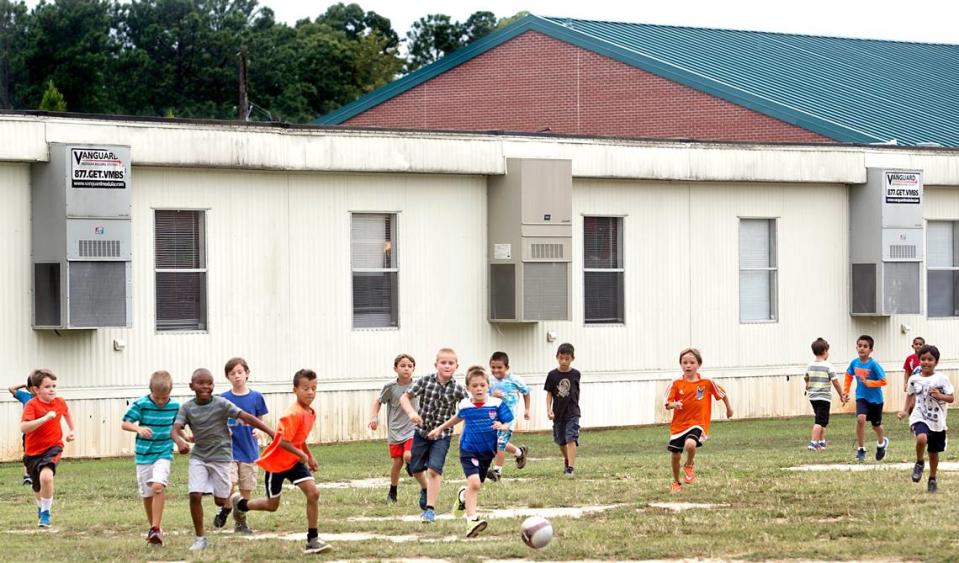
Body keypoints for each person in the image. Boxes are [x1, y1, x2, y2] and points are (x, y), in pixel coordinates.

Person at [232, 369, 333, 554]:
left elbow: (299, 439)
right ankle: (240, 505)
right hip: (276, 465)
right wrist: (301, 454)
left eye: (313, 388)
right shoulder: (292, 414)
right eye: (305, 388)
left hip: (294, 463)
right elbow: (282, 441)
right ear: (295, 390)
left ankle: (313, 539)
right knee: (272, 506)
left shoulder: (310, 412)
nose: (310, 392)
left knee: (314, 493)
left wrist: (308, 456)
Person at [173, 368, 274, 551]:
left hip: (221, 458)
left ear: (213, 385)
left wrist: (271, 432)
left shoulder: (221, 403)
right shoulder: (187, 407)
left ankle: (230, 500)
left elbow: (247, 417)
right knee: (194, 495)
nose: (205, 386)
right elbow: (175, 429)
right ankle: (200, 538)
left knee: (221, 501)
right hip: (200, 457)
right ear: (191, 386)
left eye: (209, 383)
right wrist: (180, 441)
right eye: (200, 383)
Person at [428, 365, 513, 537]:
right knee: (474, 483)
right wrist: (439, 429)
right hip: (468, 450)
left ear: (488, 386)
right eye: (475, 386)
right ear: (468, 388)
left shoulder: (496, 404)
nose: (479, 388)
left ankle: (462, 497)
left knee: (476, 486)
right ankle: (471, 521)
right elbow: (457, 418)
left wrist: (502, 426)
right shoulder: (465, 405)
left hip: (487, 452)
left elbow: (509, 422)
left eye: (482, 385)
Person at [399, 347, 468, 523]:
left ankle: (430, 510)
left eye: (450, 363)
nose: (447, 366)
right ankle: (424, 488)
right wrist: (411, 413)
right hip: (421, 433)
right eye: (443, 362)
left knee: (434, 470)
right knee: (415, 469)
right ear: (436, 364)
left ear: (456, 366)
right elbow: (404, 398)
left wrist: (465, 431)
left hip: (442, 436)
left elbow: (468, 410)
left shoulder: (458, 390)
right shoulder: (425, 381)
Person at [121, 370, 187, 546]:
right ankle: (153, 528)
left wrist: (185, 438)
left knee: (158, 486)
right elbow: (125, 423)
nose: (160, 402)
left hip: (163, 452)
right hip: (144, 455)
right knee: (147, 494)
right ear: (151, 390)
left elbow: (177, 427)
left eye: (164, 398)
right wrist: (138, 429)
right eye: (157, 398)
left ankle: (156, 528)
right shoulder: (141, 404)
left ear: (170, 393)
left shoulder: (174, 406)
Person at [664, 348, 733, 493]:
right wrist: (674, 404)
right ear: (681, 365)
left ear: (698, 364)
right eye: (684, 362)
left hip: (697, 423)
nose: (688, 365)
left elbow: (722, 394)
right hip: (678, 426)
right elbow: (667, 404)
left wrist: (729, 409)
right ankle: (676, 482)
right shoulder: (675, 383)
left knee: (690, 445)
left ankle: (689, 465)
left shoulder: (707, 382)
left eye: (691, 362)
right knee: (676, 456)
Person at [213, 357, 268, 534]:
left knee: (245, 491)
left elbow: (261, 420)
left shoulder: (256, 397)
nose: (236, 376)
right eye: (232, 373)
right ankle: (230, 511)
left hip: (250, 451)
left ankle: (238, 520)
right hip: (228, 450)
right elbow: (217, 421)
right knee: (230, 484)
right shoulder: (223, 399)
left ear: (247, 374)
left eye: (240, 372)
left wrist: (260, 432)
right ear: (227, 377)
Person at [19, 369, 75, 527]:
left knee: (46, 477)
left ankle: (45, 513)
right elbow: (24, 428)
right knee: (37, 486)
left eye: (54, 386)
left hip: (53, 447)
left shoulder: (59, 402)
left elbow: (67, 413)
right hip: (32, 452)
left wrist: (72, 430)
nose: (52, 390)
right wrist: (44, 418)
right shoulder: (31, 405)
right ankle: (41, 507)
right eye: (47, 387)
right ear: (36, 389)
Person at [369, 353, 426, 503]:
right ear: (395, 368)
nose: (406, 369)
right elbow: (378, 402)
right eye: (402, 366)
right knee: (397, 463)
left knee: (408, 455)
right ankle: (393, 491)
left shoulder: (418, 385)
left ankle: (411, 465)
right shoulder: (390, 387)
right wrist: (374, 417)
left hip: (412, 428)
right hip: (395, 431)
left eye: (409, 366)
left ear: (413, 369)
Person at [897, 345, 954, 493]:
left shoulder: (942, 379)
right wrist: (904, 410)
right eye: (923, 359)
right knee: (921, 438)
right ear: (919, 361)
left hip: (937, 421)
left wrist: (940, 396)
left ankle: (932, 478)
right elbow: (910, 394)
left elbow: (951, 398)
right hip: (919, 415)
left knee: (934, 453)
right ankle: (920, 462)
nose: (926, 362)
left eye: (930, 359)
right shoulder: (914, 379)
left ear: (936, 362)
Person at [843, 335, 889, 463]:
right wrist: (845, 392)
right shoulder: (854, 363)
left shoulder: (873, 364)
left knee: (876, 426)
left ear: (870, 350)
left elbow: (884, 381)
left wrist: (869, 382)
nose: (862, 348)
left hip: (876, 400)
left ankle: (881, 443)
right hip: (861, 397)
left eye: (865, 346)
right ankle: (861, 449)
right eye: (860, 346)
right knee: (860, 419)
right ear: (856, 347)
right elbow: (848, 375)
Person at [487, 351, 530, 481]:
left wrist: (527, 409)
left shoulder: (514, 380)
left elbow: (526, 392)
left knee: (500, 444)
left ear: (507, 367)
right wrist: (492, 396)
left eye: (499, 367)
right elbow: (484, 396)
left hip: (508, 418)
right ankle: (519, 452)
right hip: (494, 417)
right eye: (493, 367)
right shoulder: (490, 381)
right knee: (497, 442)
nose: (496, 370)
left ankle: (497, 472)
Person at [804, 338, 847, 451]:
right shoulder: (828, 366)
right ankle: (813, 443)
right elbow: (835, 382)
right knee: (819, 421)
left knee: (823, 420)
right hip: (824, 397)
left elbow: (806, 378)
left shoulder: (810, 365)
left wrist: (808, 385)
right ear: (824, 351)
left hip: (813, 397)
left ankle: (821, 442)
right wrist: (841, 395)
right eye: (828, 350)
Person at [545, 343, 581, 477]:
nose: (564, 361)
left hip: (572, 413)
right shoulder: (552, 375)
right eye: (561, 358)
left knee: (571, 438)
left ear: (572, 358)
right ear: (557, 357)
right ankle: (567, 459)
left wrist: (575, 405)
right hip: (558, 413)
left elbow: (577, 391)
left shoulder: (576, 374)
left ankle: (570, 468)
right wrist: (549, 410)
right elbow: (549, 393)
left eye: (567, 358)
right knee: (561, 441)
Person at [8, 377, 35, 486]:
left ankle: (38, 474)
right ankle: (27, 476)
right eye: (32, 387)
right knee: (28, 453)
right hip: (28, 431)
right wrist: (24, 385)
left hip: (41, 431)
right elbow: (11, 388)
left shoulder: (44, 398)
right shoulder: (26, 396)